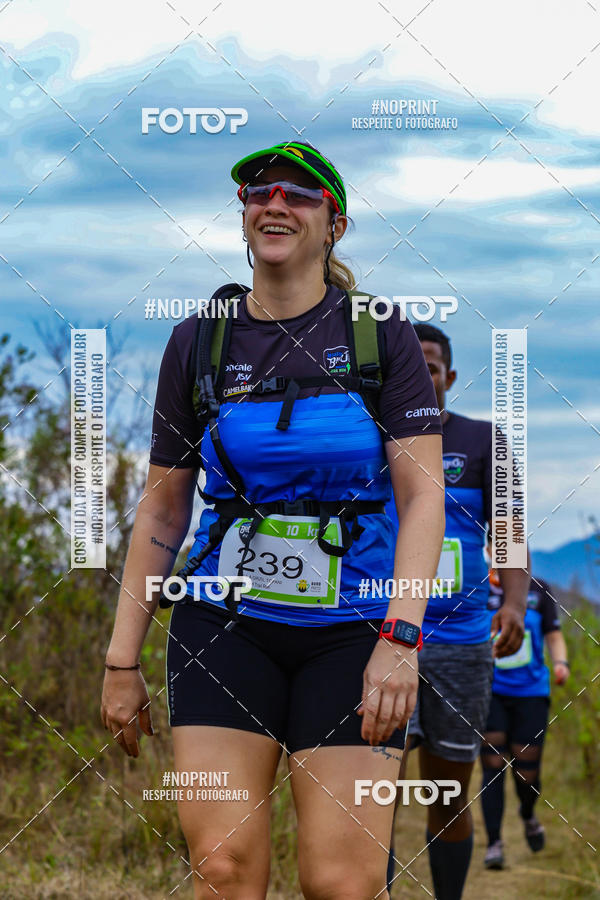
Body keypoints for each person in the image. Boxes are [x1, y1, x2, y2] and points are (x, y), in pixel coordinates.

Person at [101, 141, 445, 899]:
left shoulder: (380, 334)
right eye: (259, 195)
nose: (276, 205)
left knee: (343, 884)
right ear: (244, 217)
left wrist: (402, 636)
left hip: (354, 633)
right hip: (222, 628)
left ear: (335, 225)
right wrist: (122, 659)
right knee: (222, 869)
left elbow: (423, 496)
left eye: (299, 195)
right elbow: (163, 505)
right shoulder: (200, 340)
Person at [385, 323, 530, 900]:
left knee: (446, 798)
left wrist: (515, 603)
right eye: (412, 365)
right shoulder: (371, 438)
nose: (424, 374)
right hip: (384, 641)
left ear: (448, 375)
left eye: (433, 365)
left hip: (462, 647)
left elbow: (512, 533)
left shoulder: (485, 441)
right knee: (375, 795)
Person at [480, 553, 569, 869]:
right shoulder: (479, 589)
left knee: (526, 771)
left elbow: (553, 634)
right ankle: (494, 844)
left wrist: (560, 662)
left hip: (531, 692)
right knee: (492, 767)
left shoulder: (539, 590)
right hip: (489, 691)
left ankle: (528, 814)